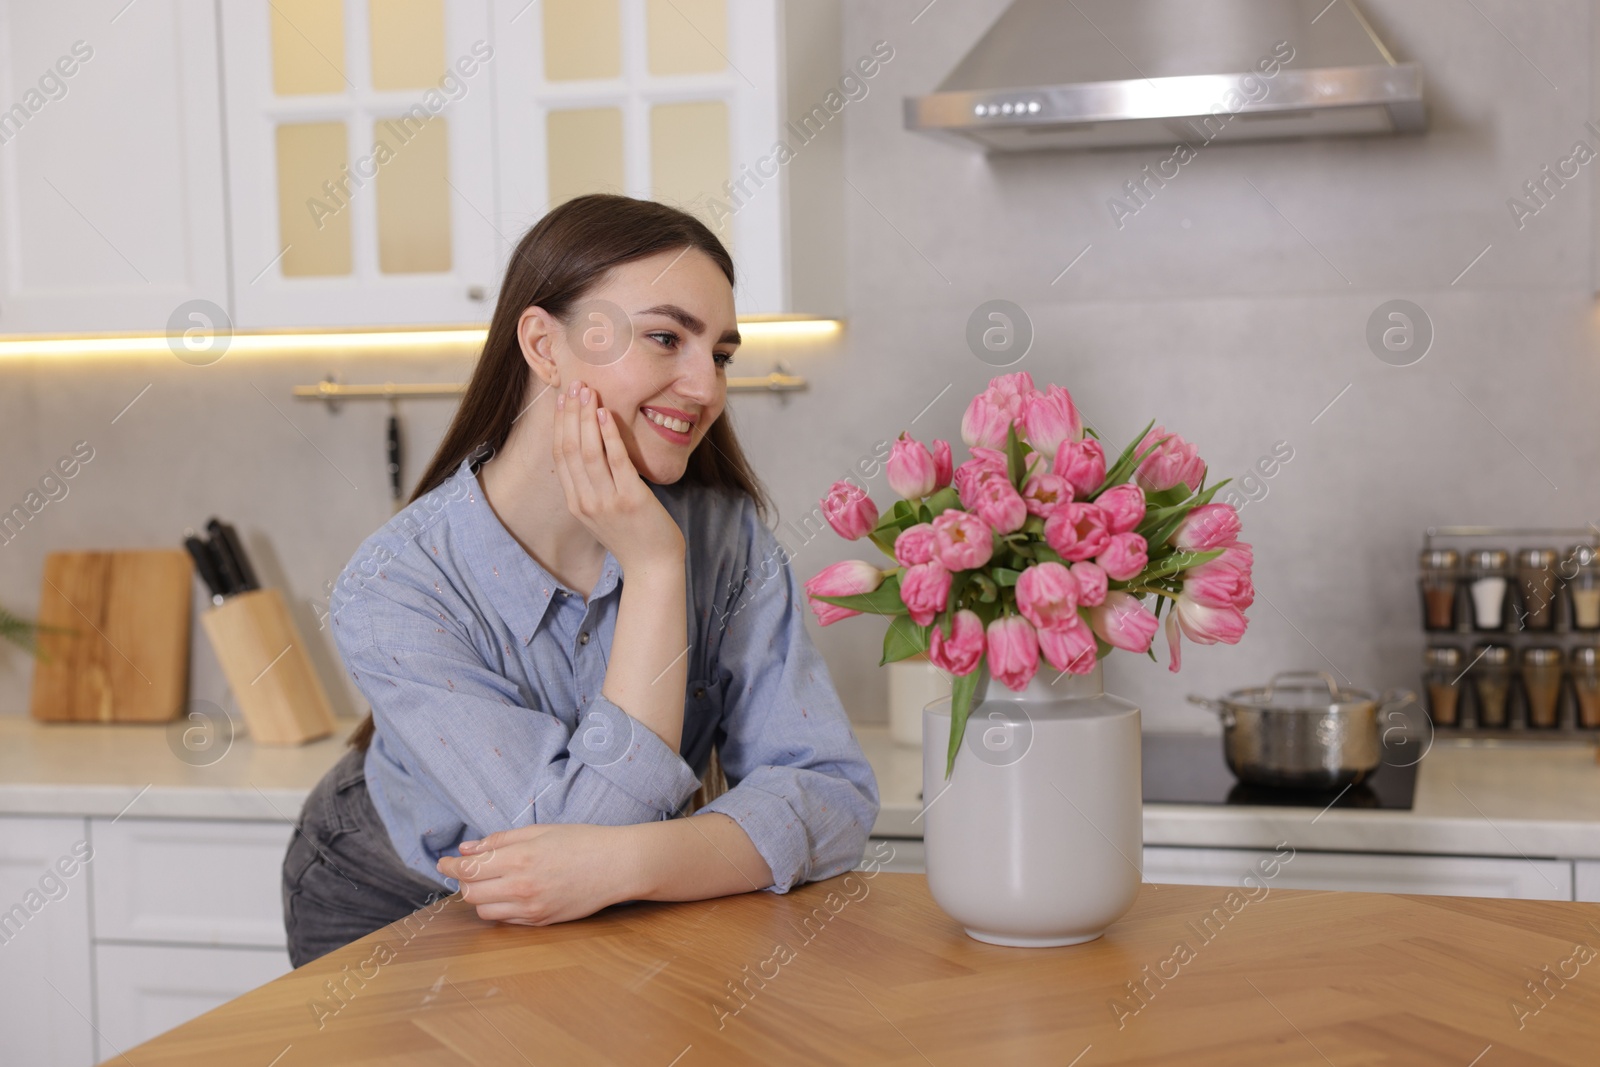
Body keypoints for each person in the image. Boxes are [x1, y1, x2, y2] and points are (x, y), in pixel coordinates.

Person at [280, 194, 880, 967]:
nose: (706, 387)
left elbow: (831, 793)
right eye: (666, 338)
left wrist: (629, 863)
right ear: (544, 344)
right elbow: (566, 826)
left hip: (617, 905)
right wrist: (658, 572)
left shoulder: (724, 538)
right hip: (392, 900)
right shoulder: (394, 585)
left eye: (721, 354)